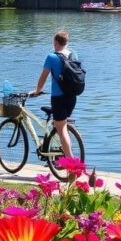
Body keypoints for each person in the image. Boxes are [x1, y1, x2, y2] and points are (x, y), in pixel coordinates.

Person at [30, 30, 75, 159]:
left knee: (62, 131)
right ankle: (62, 156)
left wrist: (37, 90)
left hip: (59, 98)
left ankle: (71, 164)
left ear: (55, 42)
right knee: (63, 127)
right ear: (67, 43)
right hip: (72, 97)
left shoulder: (52, 57)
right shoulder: (73, 55)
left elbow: (43, 76)